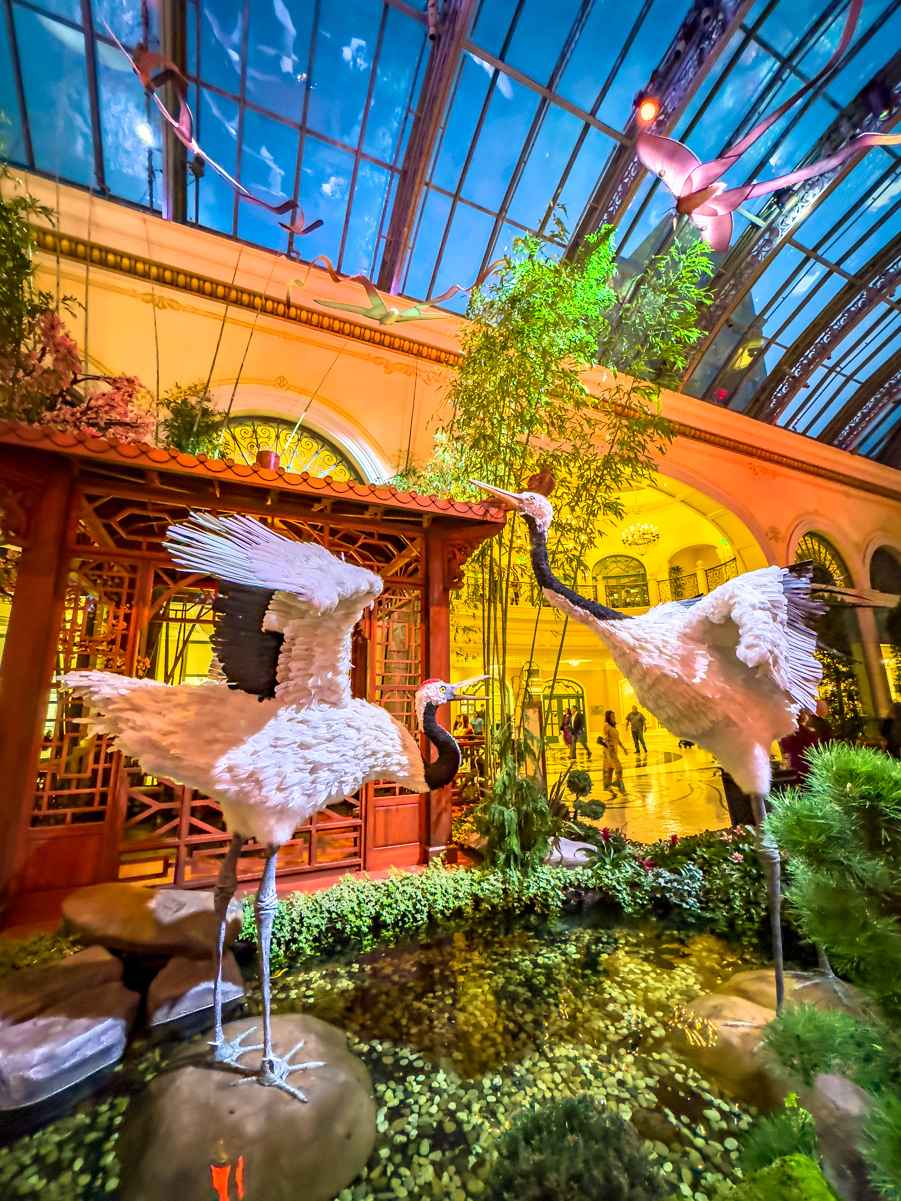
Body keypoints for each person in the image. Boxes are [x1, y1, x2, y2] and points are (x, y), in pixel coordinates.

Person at [779, 709, 823, 781]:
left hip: (795, 769)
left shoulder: (788, 735)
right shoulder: (812, 733)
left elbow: (785, 748)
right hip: (811, 768)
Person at [602, 709, 624, 791]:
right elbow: (604, 739)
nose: (614, 717)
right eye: (612, 716)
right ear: (608, 717)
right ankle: (617, 784)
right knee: (618, 768)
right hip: (609, 751)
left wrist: (623, 748)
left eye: (614, 716)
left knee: (610, 770)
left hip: (614, 750)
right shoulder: (606, 726)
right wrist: (608, 753)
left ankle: (612, 786)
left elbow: (617, 739)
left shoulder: (613, 726)